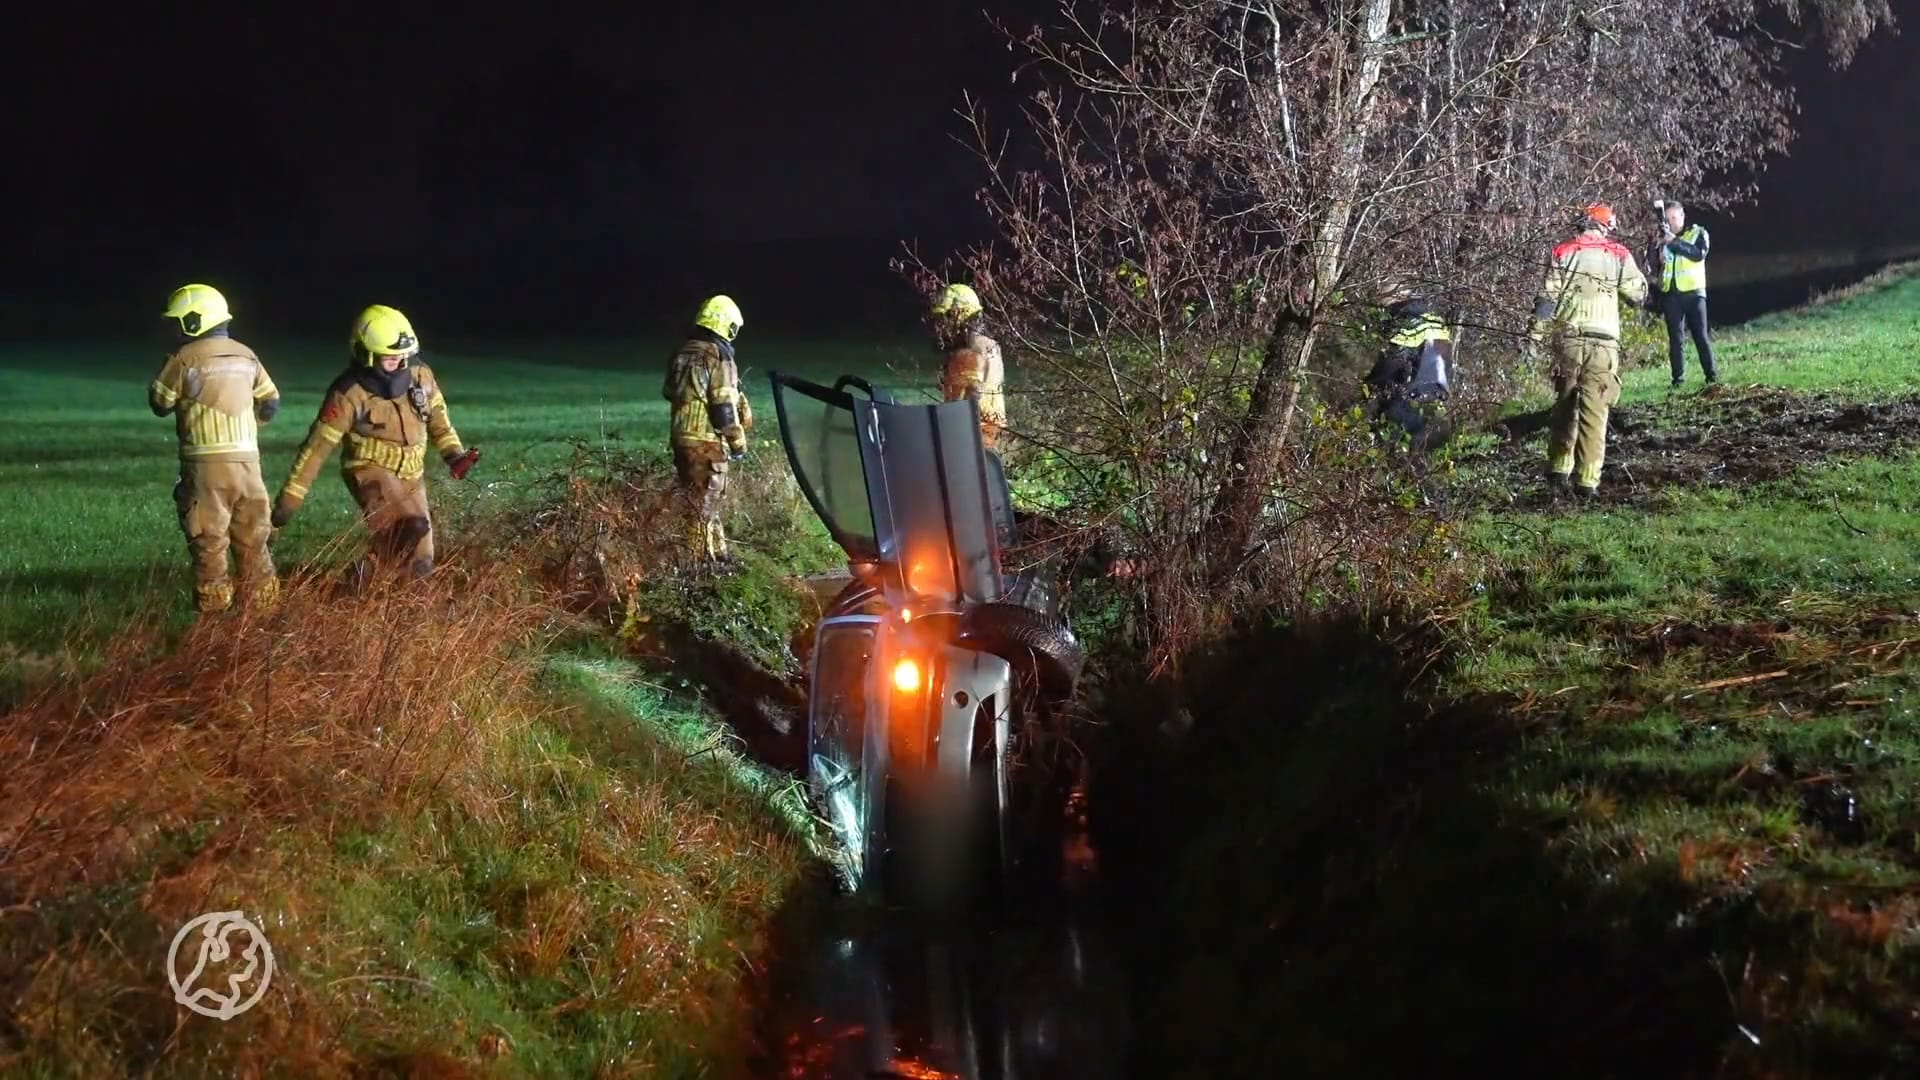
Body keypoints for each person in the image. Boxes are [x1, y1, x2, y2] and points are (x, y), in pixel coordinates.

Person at [271, 304, 479, 583]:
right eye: (391, 359)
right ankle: (358, 579)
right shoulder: (348, 394)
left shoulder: (421, 377)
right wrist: (290, 499)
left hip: (412, 475)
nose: (400, 365)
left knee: (421, 562)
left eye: (403, 357)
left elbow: (439, 420)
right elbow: (317, 449)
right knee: (409, 527)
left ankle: (367, 588)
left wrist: (454, 454)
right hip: (370, 471)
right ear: (364, 355)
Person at [149, 283, 284, 613]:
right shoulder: (246, 354)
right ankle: (266, 613)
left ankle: (214, 620)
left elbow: (159, 402)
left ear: (193, 322)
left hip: (206, 467)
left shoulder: (183, 359)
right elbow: (271, 402)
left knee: (209, 541)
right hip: (248, 464)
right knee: (253, 539)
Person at [1527, 204, 1649, 500]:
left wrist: (1533, 340)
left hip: (1567, 341)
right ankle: (1587, 483)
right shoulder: (1619, 253)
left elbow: (1546, 299)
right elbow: (1637, 295)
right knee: (1595, 413)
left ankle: (1558, 473)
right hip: (1604, 344)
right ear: (1607, 225)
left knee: (1565, 407)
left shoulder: (1563, 251)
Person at [663, 295, 752, 567]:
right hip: (707, 441)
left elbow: (669, 391)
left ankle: (718, 556)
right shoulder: (719, 355)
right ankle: (697, 566)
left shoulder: (682, 351)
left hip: (681, 438)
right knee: (704, 506)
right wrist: (738, 443)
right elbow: (722, 407)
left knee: (698, 500)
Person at [1364, 295, 1453, 452]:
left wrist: (1367, 388)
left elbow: (1389, 366)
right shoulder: (1435, 322)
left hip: (1411, 403)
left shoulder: (1405, 324)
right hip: (1438, 403)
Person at [1648, 200, 1718, 388]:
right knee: (1676, 339)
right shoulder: (1662, 238)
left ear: (1682, 216)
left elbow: (1698, 254)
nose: (1671, 222)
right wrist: (1657, 250)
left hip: (1694, 293)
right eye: (1667, 218)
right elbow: (1653, 265)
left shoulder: (1698, 233)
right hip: (1671, 294)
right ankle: (1678, 380)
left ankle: (1712, 376)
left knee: (1700, 336)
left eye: (1674, 217)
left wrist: (1674, 241)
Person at [929, 283, 1007, 451]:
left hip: (970, 446)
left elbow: (968, 404)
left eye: (944, 319)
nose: (941, 327)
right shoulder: (991, 347)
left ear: (958, 315)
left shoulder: (966, 356)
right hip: (991, 443)